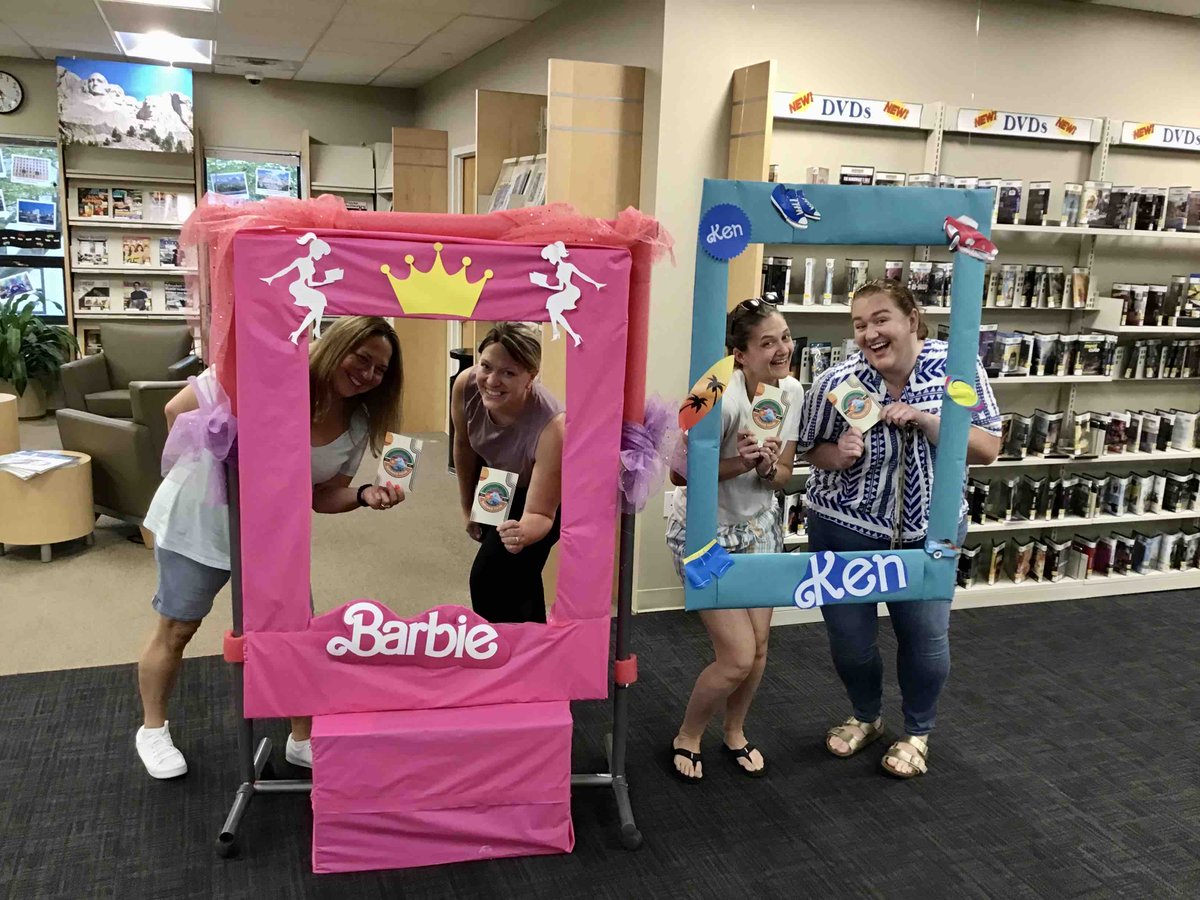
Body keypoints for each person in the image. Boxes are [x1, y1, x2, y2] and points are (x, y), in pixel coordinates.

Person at [135, 316, 405, 779]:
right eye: (362, 359)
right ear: (336, 345)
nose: (367, 374)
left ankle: (301, 738)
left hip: (275, 539)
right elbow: (174, 412)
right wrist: (227, 449)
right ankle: (152, 729)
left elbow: (323, 494)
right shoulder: (262, 372)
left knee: (293, 637)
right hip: (200, 522)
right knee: (178, 628)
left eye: (380, 370)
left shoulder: (357, 423)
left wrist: (364, 495)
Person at [798, 279, 1000, 779]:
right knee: (850, 641)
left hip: (930, 533)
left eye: (880, 319)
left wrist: (929, 422)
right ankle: (866, 716)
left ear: (912, 319)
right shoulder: (838, 380)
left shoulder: (957, 369)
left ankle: (917, 731)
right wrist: (839, 455)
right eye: (859, 324)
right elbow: (809, 448)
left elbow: (988, 448)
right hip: (843, 527)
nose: (869, 333)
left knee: (925, 639)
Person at [666, 298, 802, 781]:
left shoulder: (791, 390)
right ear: (740, 354)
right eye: (768, 342)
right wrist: (739, 463)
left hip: (759, 526)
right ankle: (688, 734)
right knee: (737, 656)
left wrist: (765, 467)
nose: (782, 349)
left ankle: (735, 731)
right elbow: (679, 474)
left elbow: (782, 476)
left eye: (784, 337)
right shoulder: (714, 392)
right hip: (706, 535)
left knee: (760, 647)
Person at [451, 323, 564, 624]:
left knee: (488, 579)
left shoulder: (552, 425)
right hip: (497, 479)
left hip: (544, 497)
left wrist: (523, 532)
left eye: (509, 373)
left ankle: (501, 645)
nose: (492, 381)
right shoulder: (466, 385)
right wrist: (467, 507)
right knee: (520, 578)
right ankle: (533, 643)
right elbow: (464, 445)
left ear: (531, 376)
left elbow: (541, 513)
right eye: (486, 366)